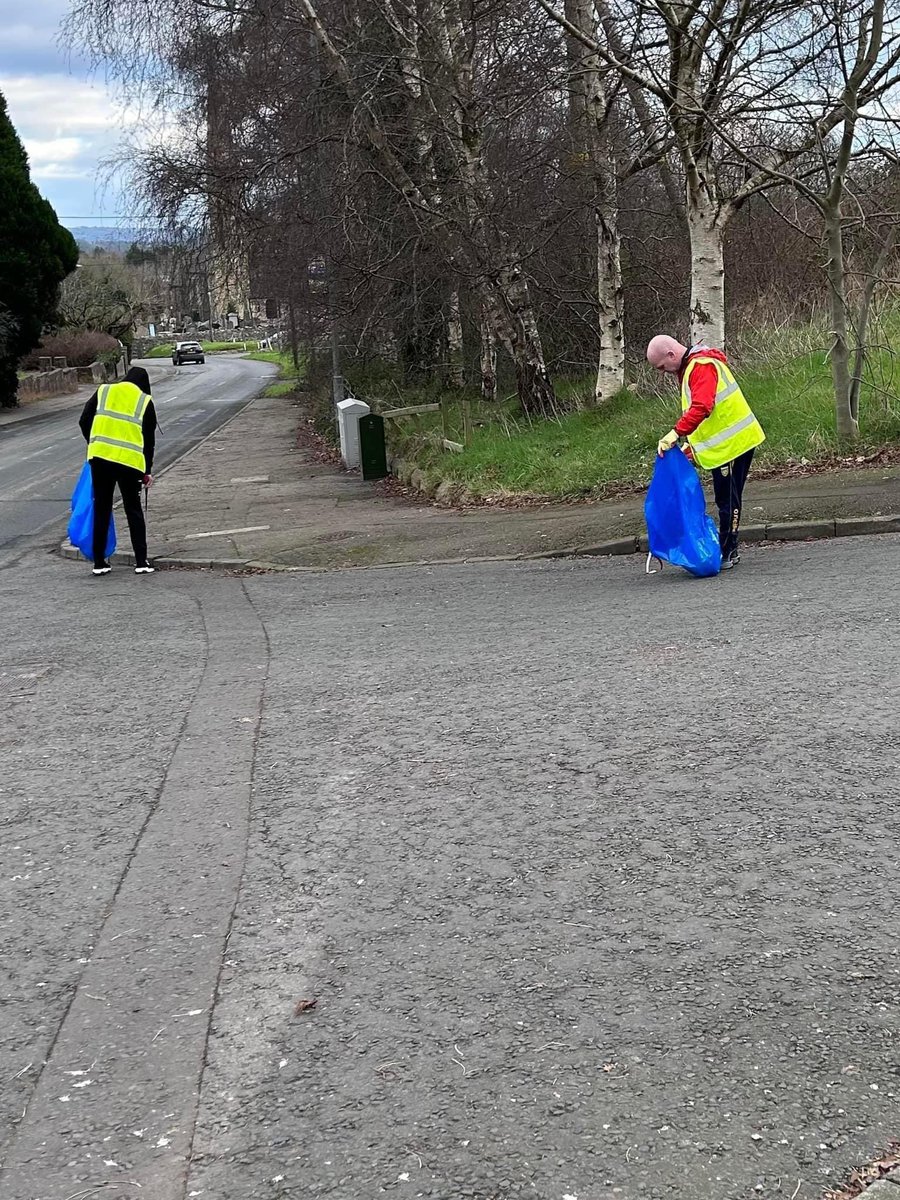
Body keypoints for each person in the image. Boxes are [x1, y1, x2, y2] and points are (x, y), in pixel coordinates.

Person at [646, 335, 765, 569]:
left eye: (661, 367)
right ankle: (729, 549)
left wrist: (675, 433)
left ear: (671, 355)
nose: (663, 372)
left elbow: (702, 407)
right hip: (732, 442)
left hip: (732, 445)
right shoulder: (695, 366)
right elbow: (709, 416)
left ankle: (728, 550)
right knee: (728, 498)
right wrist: (690, 447)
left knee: (728, 500)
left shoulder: (700, 367)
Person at [78, 364, 157, 576]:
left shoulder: (104, 391)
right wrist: (147, 471)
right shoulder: (144, 401)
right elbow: (149, 442)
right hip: (129, 464)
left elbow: (84, 420)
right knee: (133, 510)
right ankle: (141, 562)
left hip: (100, 460)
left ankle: (99, 563)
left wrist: (94, 443)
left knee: (102, 509)